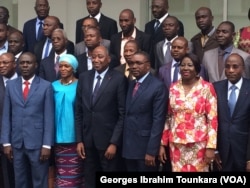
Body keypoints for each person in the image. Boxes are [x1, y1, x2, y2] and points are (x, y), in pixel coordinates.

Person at [75, 45, 127, 188]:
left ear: (108, 59)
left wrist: (114, 143)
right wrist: (79, 140)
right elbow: (78, 111)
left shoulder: (118, 79)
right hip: (88, 141)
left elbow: (122, 114)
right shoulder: (84, 77)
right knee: (90, 179)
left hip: (108, 141)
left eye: (100, 56)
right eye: (93, 57)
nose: (96, 60)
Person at [0, 52, 54, 187]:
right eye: (22, 63)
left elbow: (49, 117)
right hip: (16, 143)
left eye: (28, 63)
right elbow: (7, 115)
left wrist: (47, 145)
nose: (24, 65)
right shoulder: (11, 85)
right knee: (20, 181)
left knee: (39, 181)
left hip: (38, 143)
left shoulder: (45, 86)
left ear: (35, 65)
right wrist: (6, 142)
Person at [159, 53, 218, 172]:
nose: (185, 68)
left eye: (190, 65)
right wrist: (162, 144)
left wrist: (211, 147)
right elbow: (168, 117)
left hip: (199, 144)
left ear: (197, 68)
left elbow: (213, 118)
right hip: (176, 144)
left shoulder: (207, 87)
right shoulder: (173, 88)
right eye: (183, 65)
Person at [122, 51, 167, 171]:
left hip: (145, 149)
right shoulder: (131, 84)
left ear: (148, 66)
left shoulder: (157, 86)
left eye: (138, 63)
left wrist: (152, 151)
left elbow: (158, 121)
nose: (134, 66)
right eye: (131, 63)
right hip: (129, 147)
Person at [213, 53, 250, 171]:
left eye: (235, 67)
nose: (230, 70)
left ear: (243, 68)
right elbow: (211, 121)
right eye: (227, 66)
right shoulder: (215, 88)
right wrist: (215, 149)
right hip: (221, 152)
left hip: (244, 151)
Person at [52, 54, 84, 187]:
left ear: (74, 68)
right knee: (60, 174)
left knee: (74, 176)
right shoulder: (52, 86)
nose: (63, 68)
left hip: (74, 138)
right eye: (61, 66)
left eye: (67, 66)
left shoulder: (81, 85)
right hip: (56, 138)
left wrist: (80, 139)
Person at [144, 0, 184, 66]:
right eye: (152, 7)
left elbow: (179, 44)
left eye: (157, 7)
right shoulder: (148, 25)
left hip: (170, 64)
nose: (154, 10)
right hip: (151, 65)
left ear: (166, 8)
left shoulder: (176, 23)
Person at [0, 52, 17, 188]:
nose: (1, 66)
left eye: (5, 63)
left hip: (23, 138)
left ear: (14, 64)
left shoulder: (25, 80)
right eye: (0, 63)